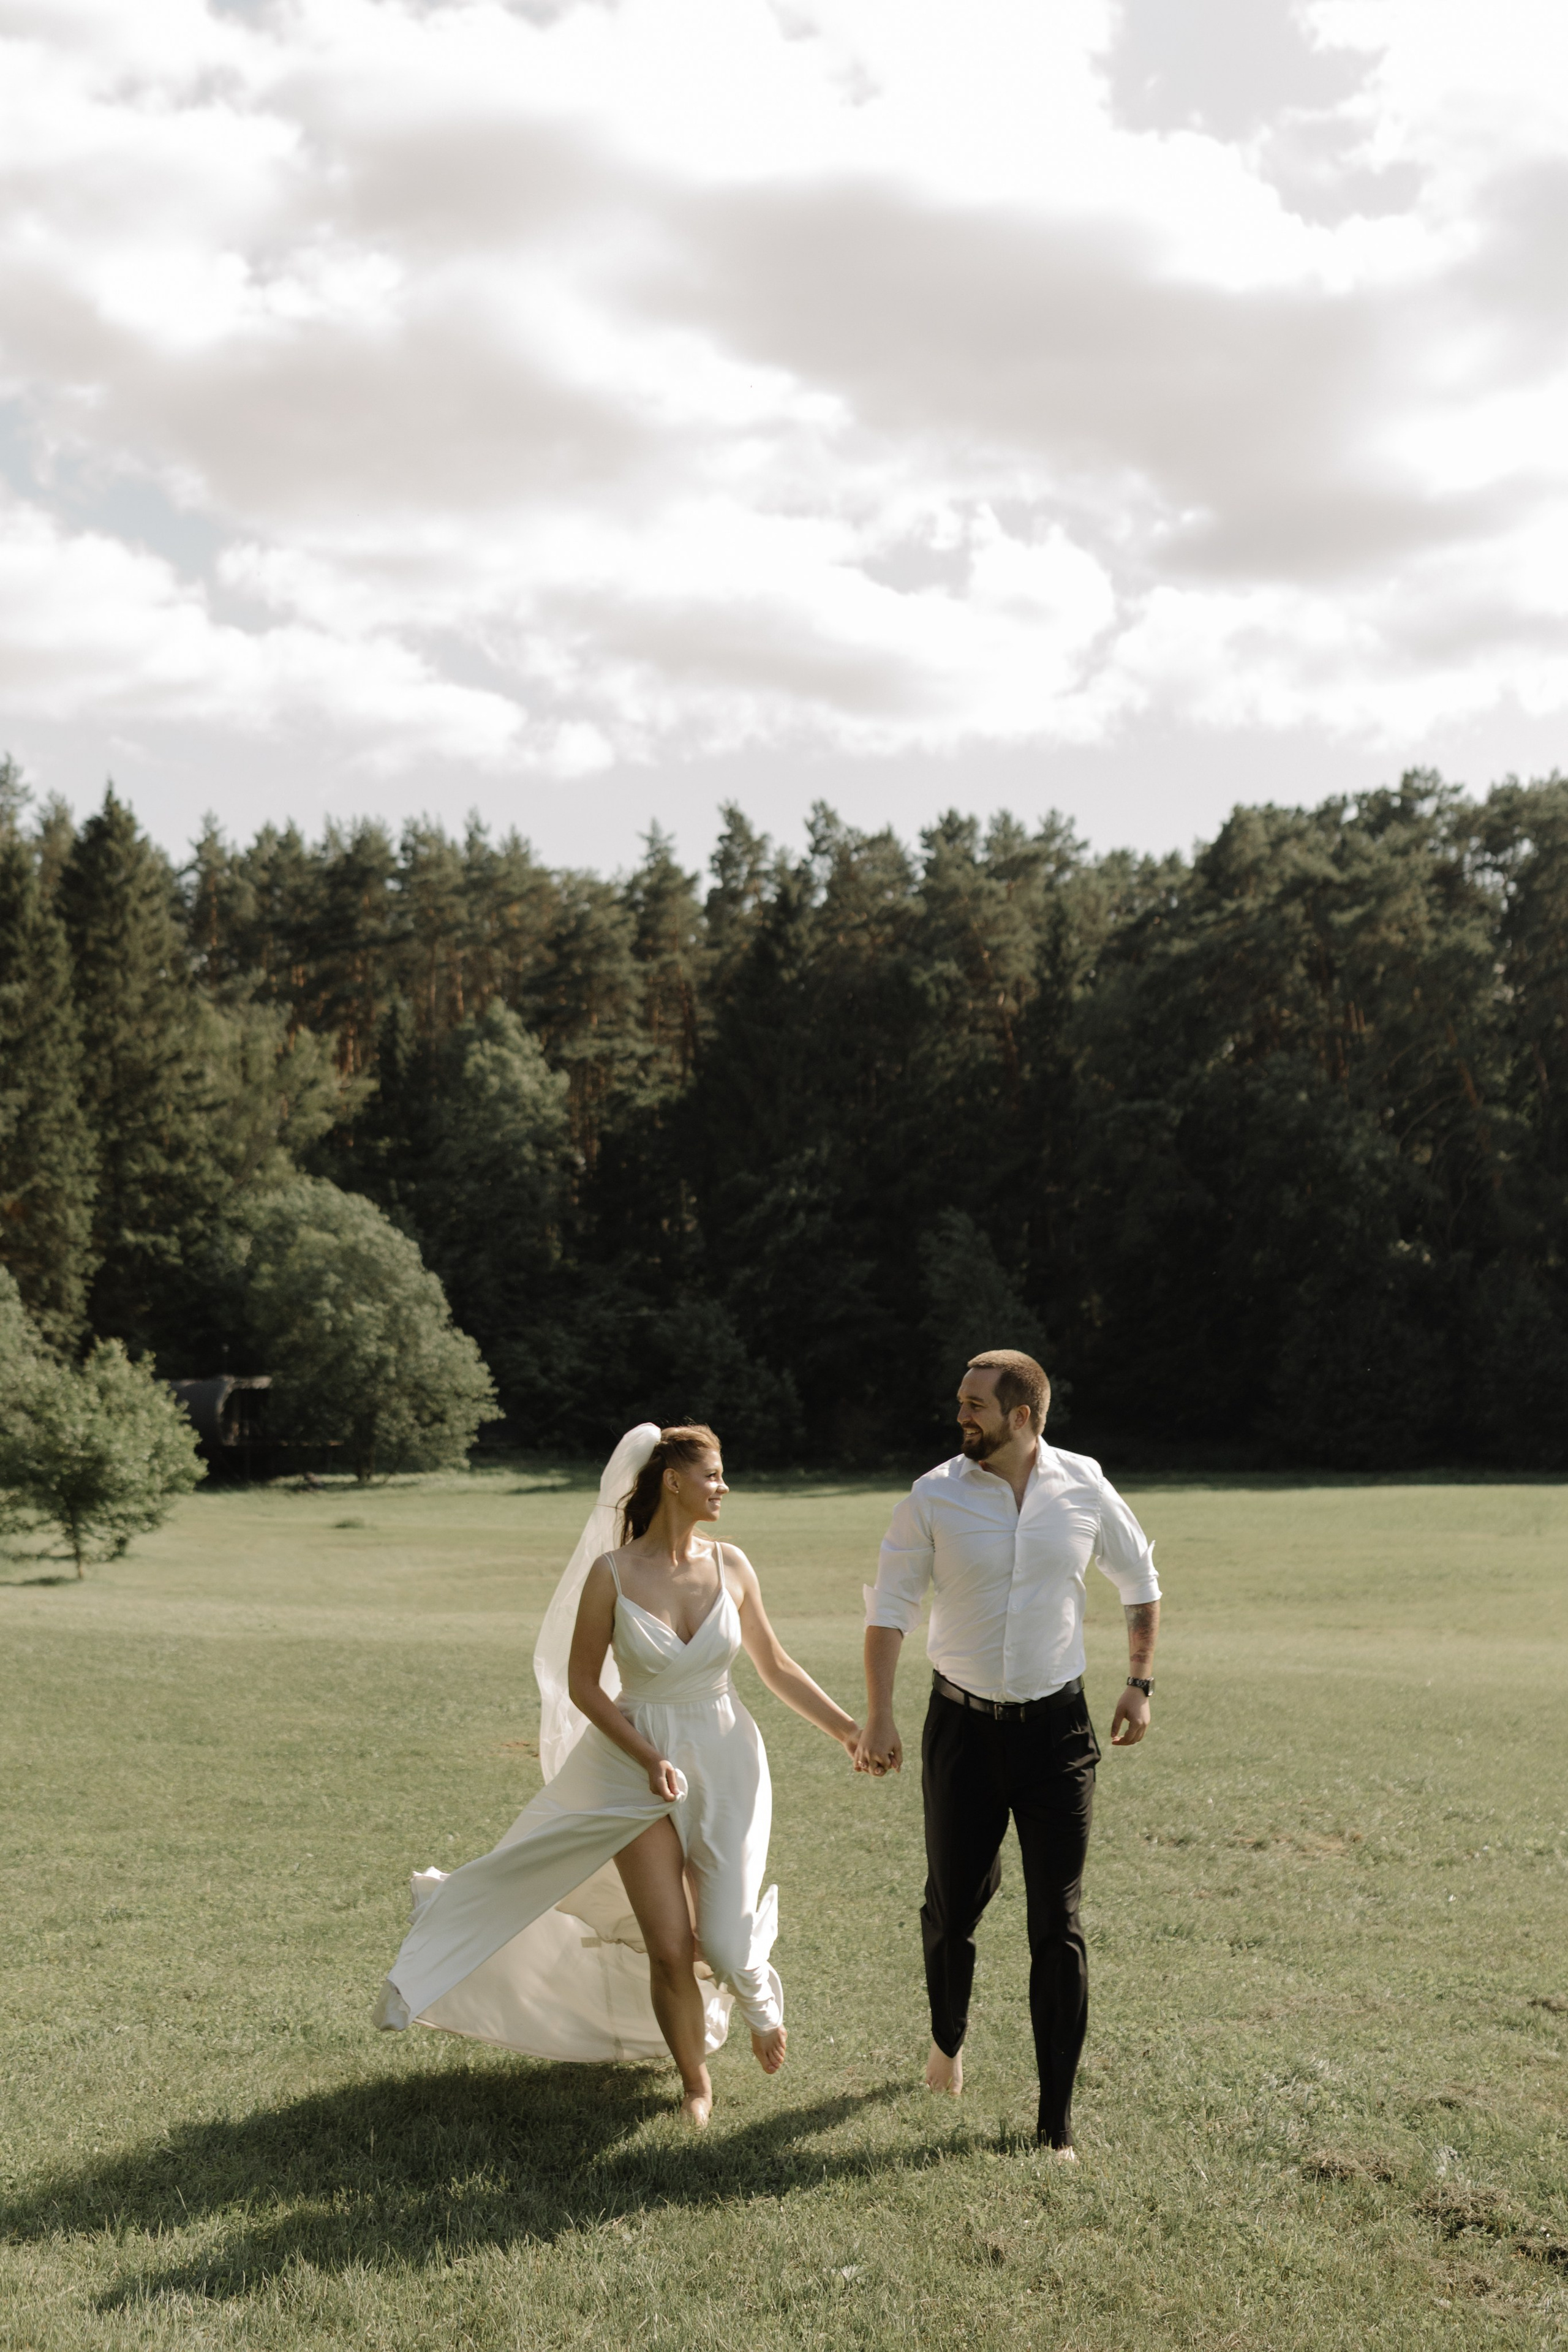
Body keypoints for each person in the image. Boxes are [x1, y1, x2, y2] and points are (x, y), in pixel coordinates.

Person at [375, 1423, 861, 2126]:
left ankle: (758, 2001)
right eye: (713, 1475)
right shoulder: (613, 1575)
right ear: (673, 1480)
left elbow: (775, 1666)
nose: (723, 1488)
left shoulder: (733, 1565)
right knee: (669, 1945)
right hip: (632, 1767)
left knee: (720, 1942)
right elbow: (583, 1685)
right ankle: (696, 2085)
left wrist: (849, 1729)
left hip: (726, 1759)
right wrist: (648, 1756)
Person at [853, 1351, 1159, 2155]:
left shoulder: (1084, 1487)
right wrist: (879, 1715)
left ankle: (1055, 2124)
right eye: (961, 1402)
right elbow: (889, 1612)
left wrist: (1139, 1683)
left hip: (1059, 1734)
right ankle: (948, 2038)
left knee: (1056, 1923)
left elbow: (1140, 1579)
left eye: (975, 1405)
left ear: (1022, 1418)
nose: (962, 1417)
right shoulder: (934, 1495)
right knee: (954, 1904)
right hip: (960, 1730)